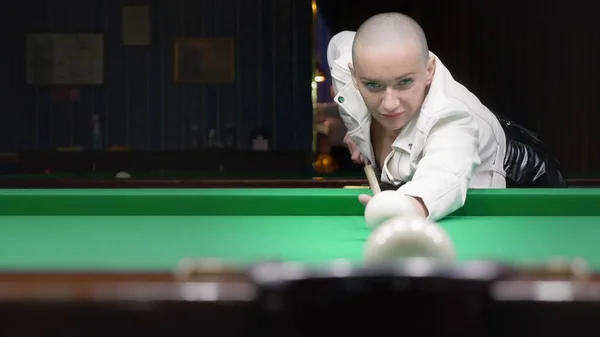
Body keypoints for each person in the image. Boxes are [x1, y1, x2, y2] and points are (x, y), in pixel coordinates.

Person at [327, 12, 566, 222]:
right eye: (373, 85)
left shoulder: (452, 118)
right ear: (354, 75)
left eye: (405, 82)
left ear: (429, 71)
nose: (389, 104)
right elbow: (338, 42)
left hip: (520, 171)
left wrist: (409, 206)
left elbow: (444, 173)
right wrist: (355, 127)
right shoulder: (346, 68)